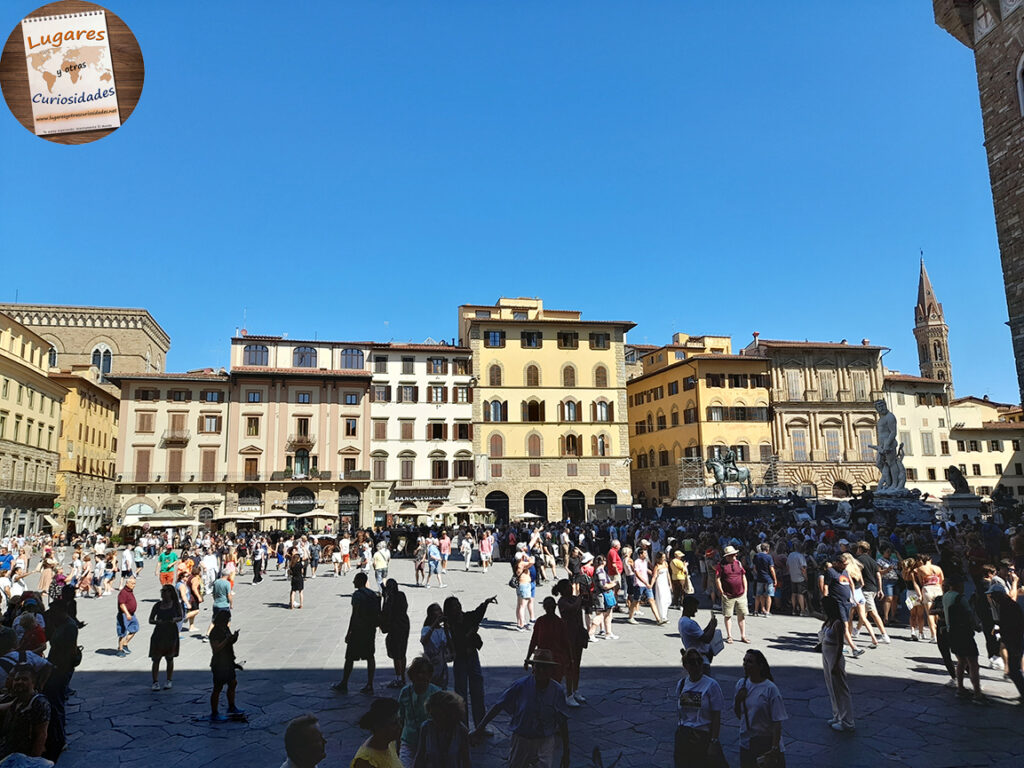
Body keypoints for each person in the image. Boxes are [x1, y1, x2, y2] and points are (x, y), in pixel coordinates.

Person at [473, 648, 570, 768]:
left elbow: (562, 719)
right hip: (522, 739)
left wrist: (566, 750)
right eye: (537, 666)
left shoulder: (557, 690)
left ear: (551, 671)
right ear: (532, 668)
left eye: (544, 667)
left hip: (545, 740)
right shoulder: (520, 686)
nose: (540, 670)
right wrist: (480, 728)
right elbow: (498, 706)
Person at [444, 594, 496, 732]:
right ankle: (463, 726)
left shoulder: (467, 617)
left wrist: (486, 602)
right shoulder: (449, 626)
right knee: (461, 694)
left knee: (477, 691)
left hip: (472, 656)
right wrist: (469, 634)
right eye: (454, 606)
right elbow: (455, 643)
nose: (458, 607)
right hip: (460, 659)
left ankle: (480, 725)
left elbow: (477, 614)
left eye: (458, 604)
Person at [733, 649, 788, 768]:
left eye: (750, 662)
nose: (745, 664)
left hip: (766, 744)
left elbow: (777, 722)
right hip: (746, 742)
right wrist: (738, 700)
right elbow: (739, 715)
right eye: (744, 661)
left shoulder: (770, 689)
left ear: (760, 666)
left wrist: (774, 748)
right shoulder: (741, 684)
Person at [674, 648, 724, 768]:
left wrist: (714, 741)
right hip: (684, 735)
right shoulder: (681, 684)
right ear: (686, 666)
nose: (696, 665)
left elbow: (716, 716)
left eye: (699, 661)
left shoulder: (711, 685)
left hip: (702, 736)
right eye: (692, 662)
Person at [334, 572, 381, 694]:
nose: (353, 582)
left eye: (355, 580)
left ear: (360, 581)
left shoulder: (357, 595)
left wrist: (349, 631)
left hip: (359, 629)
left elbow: (354, 614)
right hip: (370, 629)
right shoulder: (373, 594)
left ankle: (344, 682)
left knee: (350, 657)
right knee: (370, 656)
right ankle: (370, 683)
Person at [942, 573, 985, 703]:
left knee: (961, 662)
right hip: (964, 634)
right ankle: (977, 693)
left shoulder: (946, 596)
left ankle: (960, 688)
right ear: (959, 585)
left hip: (952, 632)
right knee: (973, 663)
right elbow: (969, 616)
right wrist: (977, 627)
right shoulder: (960, 598)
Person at [526, 597, 573, 705]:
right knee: (539, 686)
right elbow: (534, 641)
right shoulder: (540, 621)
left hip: (555, 661)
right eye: (547, 606)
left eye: (551, 606)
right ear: (544, 607)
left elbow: (566, 643)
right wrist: (528, 658)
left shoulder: (559, 623)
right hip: (541, 660)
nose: (549, 608)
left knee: (554, 687)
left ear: (555, 607)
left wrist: (570, 660)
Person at [397, 657, 441, 766]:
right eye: (418, 672)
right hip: (408, 741)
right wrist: (397, 745)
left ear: (430, 676)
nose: (421, 675)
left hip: (430, 744)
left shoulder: (436, 694)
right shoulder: (405, 692)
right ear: (412, 675)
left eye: (424, 672)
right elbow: (400, 720)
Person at [0, 664, 50, 759]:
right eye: (17, 679)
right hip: (9, 753)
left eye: (24, 679)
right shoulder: (17, 699)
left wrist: (32, 760)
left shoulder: (39, 702)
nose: (19, 682)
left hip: (24, 756)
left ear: (33, 682)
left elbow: (41, 735)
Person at [819, 596, 854, 732]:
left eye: (823, 606)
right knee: (831, 687)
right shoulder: (828, 622)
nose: (821, 609)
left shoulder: (838, 623)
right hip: (826, 654)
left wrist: (835, 663)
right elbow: (811, 613)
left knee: (841, 688)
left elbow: (840, 645)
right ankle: (837, 715)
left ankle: (847, 721)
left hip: (834, 656)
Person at [412, 690, 472, 768]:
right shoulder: (426, 728)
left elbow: (466, 761)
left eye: (439, 715)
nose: (435, 719)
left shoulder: (461, 731)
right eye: (432, 715)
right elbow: (420, 756)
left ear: (449, 714)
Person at [987, 581, 1024, 700]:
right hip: (1013, 640)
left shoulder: (1008, 606)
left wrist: (1001, 631)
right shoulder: (1006, 605)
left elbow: (1014, 625)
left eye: (993, 595)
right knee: (1014, 670)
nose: (992, 598)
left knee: (1013, 670)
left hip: (1015, 641)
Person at [554, 578, 587, 706]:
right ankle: (568, 693)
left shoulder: (574, 598)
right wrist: (580, 597)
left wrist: (586, 593)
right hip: (568, 636)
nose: (571, 587)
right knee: (569, 664)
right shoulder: (562, 601)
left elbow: (585, 604)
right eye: (569, 586)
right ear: (563, 589)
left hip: (578, 633)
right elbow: (573, 608)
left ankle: (575, 689)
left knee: (577, 664)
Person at [209, 609, 244, 721]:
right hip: (219, 663)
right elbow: (216, 648)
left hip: (228, 660)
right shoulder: (215, 632)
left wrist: (234, 638)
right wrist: (227, 640)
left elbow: (229, 642)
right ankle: (214, 712)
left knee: (233, 683)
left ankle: (231, 706)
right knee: (217, 688)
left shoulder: (225, 628)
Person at [351, 697, 403, 768]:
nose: (399, 726)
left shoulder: (390, 744)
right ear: (380, 727)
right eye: (394, 723)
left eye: (399, 721)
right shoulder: (366, 761)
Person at [149, 584, 182, 691]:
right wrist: (156, 621)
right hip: (159, 633)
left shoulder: (176, 605)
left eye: (166, 591)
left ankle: (169, 680)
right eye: (162, 591)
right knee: (156, 658)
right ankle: (155, 681)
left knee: (170, 658)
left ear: (171, 593)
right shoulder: (157, 605)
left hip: (171, 633)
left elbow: (180, 616)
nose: (163, 593)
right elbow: (150, 619)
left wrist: (175, 619)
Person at [715, 546, 749, 644]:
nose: (735, 556)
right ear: (727, 556)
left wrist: (745, 590)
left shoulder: (738, 563)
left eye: (735, 554)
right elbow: (717, 578)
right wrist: (721, 592)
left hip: (740, 594)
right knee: (728, 615)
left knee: (741, 615)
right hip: (728, 595)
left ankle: (743, 635)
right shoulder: (721, 565)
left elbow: (743, 576)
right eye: (732, 555)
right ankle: (729, 636)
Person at [382, 579, 410, 690]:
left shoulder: (390, 598)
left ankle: (399, 677)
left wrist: (385, 598)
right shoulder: (401, 595)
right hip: (404, 624)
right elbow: (405, 607)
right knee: (402, 651)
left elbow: (386, 611)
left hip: (394, 626)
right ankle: (403, 677)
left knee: (396, 653)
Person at [678, 595, 719, 668]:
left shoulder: (682, 621)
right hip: (700, 659)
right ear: (689, 607)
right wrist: (713, 627)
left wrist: (709, 625)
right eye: (694, 608)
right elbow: (706, 639)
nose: (696, 610)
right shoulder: (690, 623)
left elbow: (700, 635)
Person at [420, 603, 450, 689]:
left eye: (440, 610)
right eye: (437, 610)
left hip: (442, 666)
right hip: (431, 664)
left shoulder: (443, 630)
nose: (440, 612)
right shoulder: (426, 629)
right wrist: (434, 625)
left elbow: (450, 646)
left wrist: (447, 630)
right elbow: (424, 641)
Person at [116, 575, 139, 657]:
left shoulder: (130, 591)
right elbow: (122, 604)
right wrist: (127, 613)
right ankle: (120, 649)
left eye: (135, 583)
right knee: (122, 632)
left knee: (135, 628)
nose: (134, 585)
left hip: (132, 615)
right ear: (127, 583)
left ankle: (125, 643)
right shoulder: (123, 593)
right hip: (124, 615)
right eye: (132, 583)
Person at [752, 543, 777, 617]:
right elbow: (771, 569)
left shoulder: (756, 556)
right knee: (768, 595)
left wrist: (758, 574)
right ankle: (767, 612)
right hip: (768, 578)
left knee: (758, 595)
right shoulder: (769, 557)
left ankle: (756, 611)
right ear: (767, 549)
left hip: (760, 578)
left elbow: (754, 568)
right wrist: (775, 579)